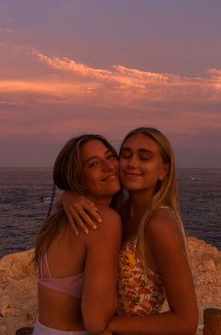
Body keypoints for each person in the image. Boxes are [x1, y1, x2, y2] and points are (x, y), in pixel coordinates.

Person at [62, 127, 199, 335]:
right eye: (125, 155)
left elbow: (186, 322)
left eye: (144, 157)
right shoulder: (118, 214)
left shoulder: (158, 223)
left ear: (164, 170)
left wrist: (110, 324)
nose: (132, 163)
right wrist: (69, 198)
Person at [32, 134, 122, 335]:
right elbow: (97, 322)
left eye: (110, 156)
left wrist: (67, 196)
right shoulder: (103, 220)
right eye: (93, 164)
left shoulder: (59, 220)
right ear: (77, 178)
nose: (108, 167)